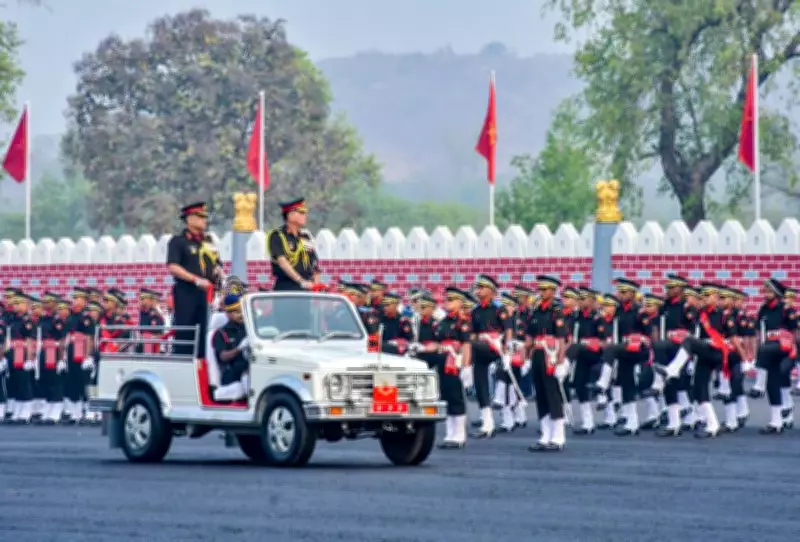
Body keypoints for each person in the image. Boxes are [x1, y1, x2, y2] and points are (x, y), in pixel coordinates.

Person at [167, 202, 221, 357]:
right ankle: (184, 363)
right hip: (187, 292)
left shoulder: (208, 241)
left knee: (205, 331)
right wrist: (195, 280)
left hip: (207, 294)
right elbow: (173, 267)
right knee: (187, 330)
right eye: (200, 217)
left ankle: (203, 364)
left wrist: (219, 272)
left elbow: (216, 263)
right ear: (189, 219)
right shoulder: (178, 241)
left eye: (205, 217)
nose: (204, 220)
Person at [266, 197, 319, 291]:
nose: (305, 216)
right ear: (290, 215)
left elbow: (314, 264)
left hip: (307, 288)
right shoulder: (278, 236)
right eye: (301, 213)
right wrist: (301, 281)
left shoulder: (305, 237)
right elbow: (282, 262)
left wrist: (316, 285)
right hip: (286, 287)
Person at [211, 294, 250, 402]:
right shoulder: (221, 333)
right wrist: (239, 349)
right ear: (228, 313)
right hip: (231, 373)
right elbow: (223, 356)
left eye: (242, 310)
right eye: (237, 311)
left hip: (249, 368)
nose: (241, 314)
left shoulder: (249, 329)